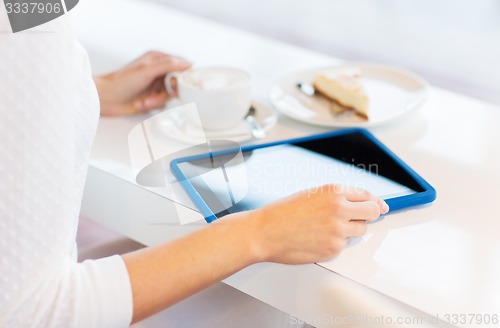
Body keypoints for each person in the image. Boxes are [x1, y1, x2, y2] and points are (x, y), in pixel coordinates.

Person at [0, 11, 388, 328]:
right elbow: (32, 313)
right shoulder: (34, 38)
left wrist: (78, 90)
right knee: (285, 298)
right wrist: (260, 232)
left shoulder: (31, 26)